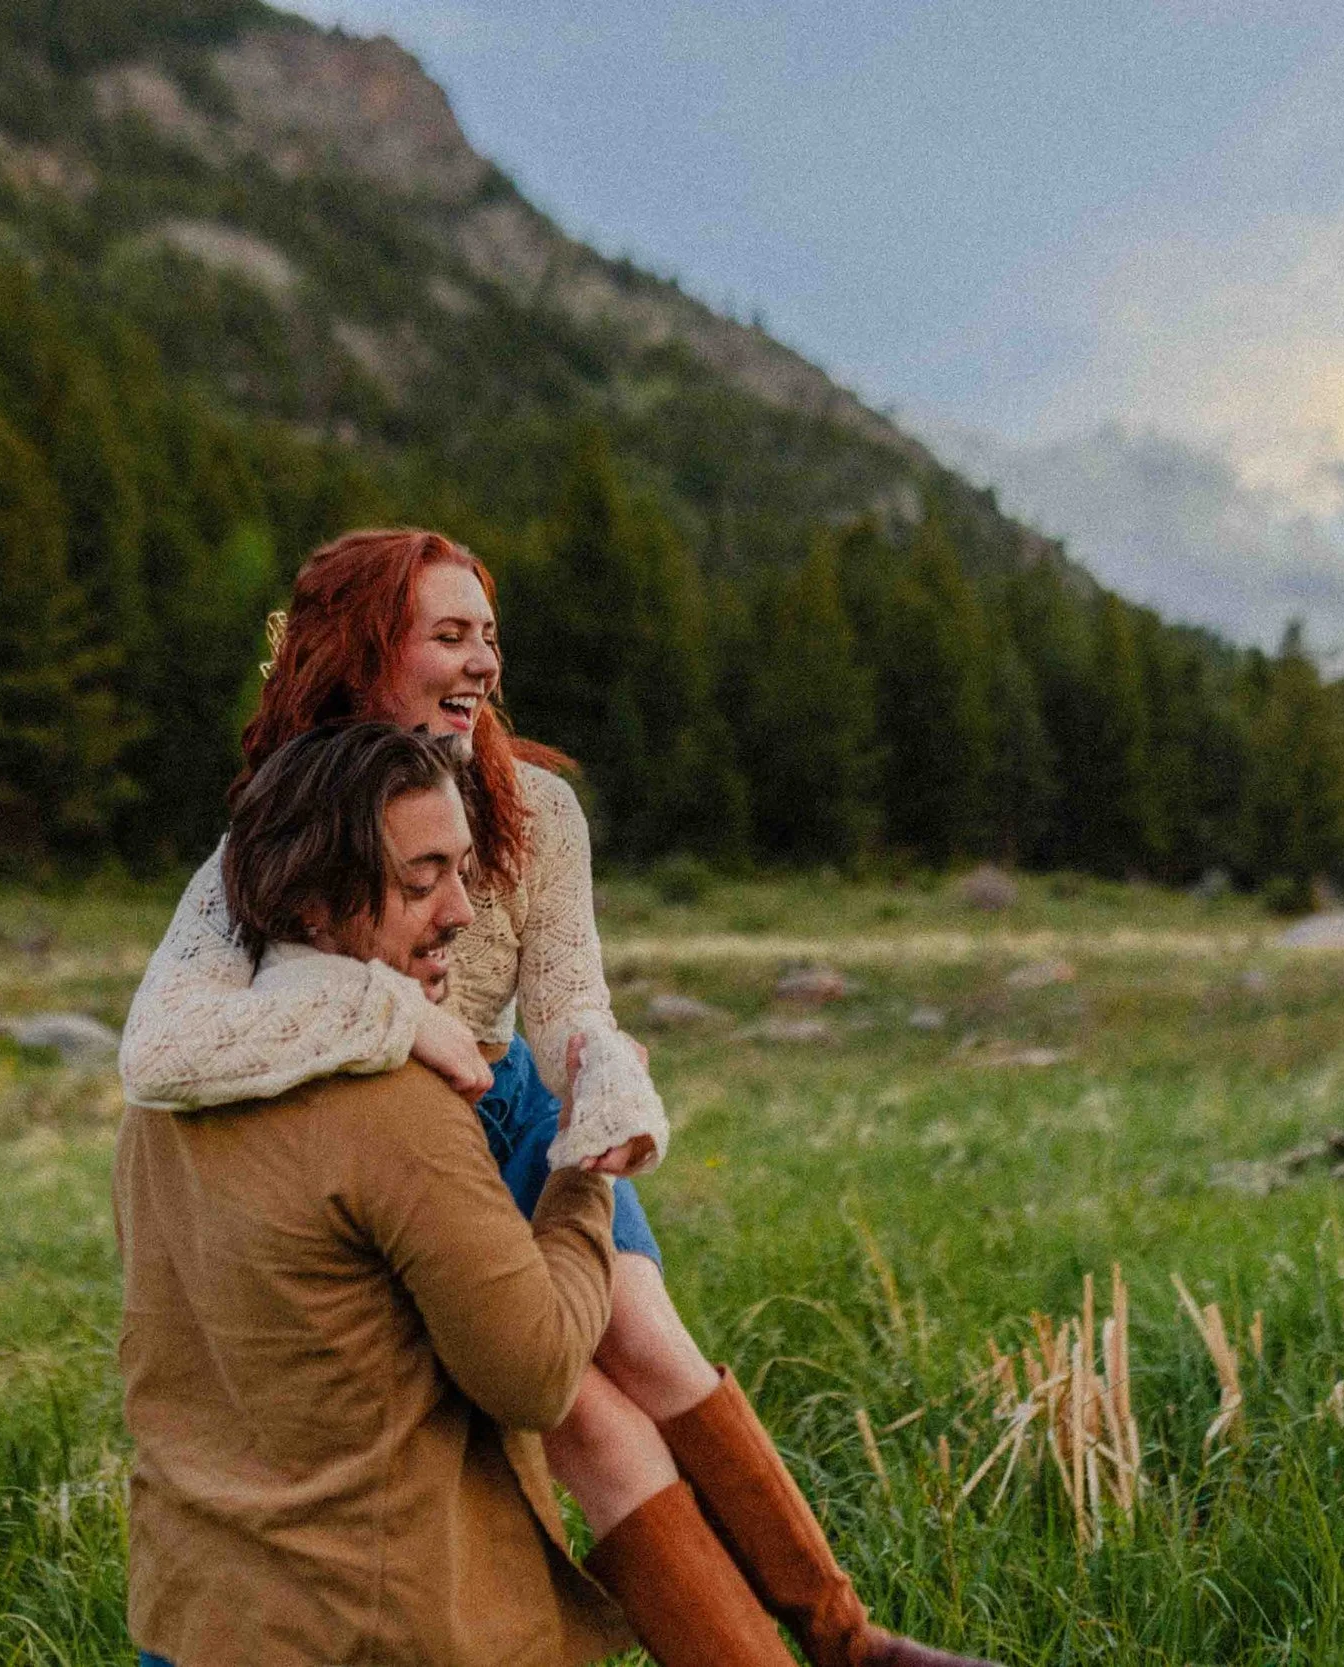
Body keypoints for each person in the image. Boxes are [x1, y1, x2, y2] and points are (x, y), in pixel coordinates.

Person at [121, 529, 995, 1667]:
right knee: (580, 1411)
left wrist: (609, 1075)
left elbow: (570, 995)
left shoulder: (533, 806)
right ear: (361, 651)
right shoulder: (292, 824)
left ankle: (844, 1636)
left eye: (489, 636)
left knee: (653, 1344)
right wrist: (395, 1018)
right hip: (406, 1110)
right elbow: (162, 1040)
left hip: (514, 1100)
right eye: (447, 635)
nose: (481, 661)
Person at [118, 722, 785, 1666]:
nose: (465, 912)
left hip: (193, 1623)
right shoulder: (395, 1106)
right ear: (311, 903)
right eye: (422, 879)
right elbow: (540, 1370)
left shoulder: (164, 1101)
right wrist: (579, 1157)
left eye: (465, 873)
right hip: (376, 1630)